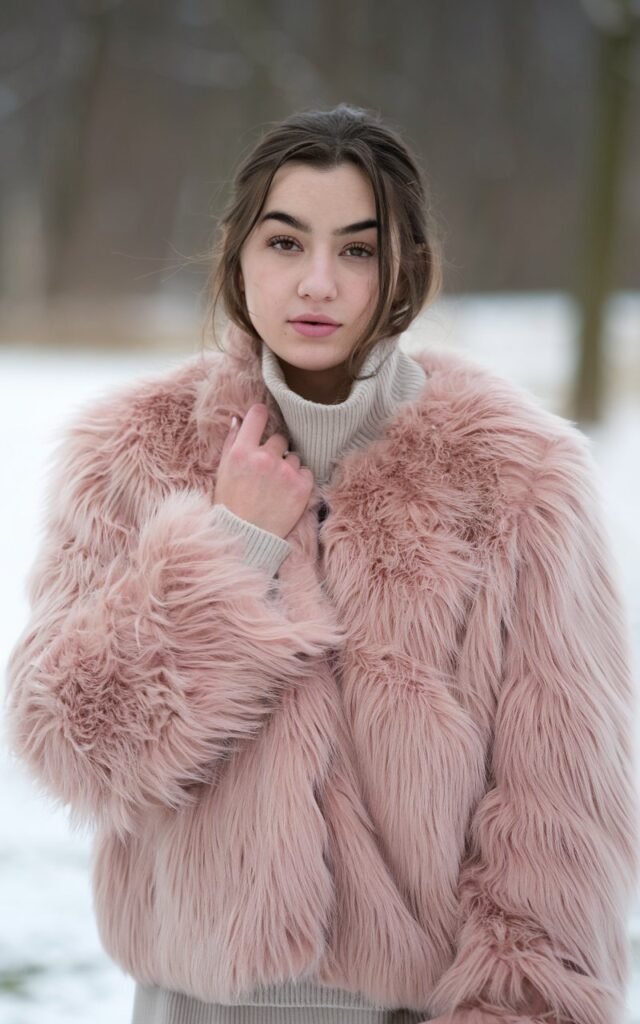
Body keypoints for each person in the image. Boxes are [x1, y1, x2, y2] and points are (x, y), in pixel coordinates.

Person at [4, 104, 638, 1024]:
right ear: (237, 254)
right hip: (190, 1003)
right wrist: (230, 548)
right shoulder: (133, 452)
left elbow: (561, 810)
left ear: (405, 268)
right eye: (285, 240)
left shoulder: (516, 478)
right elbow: (74, 742)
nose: (317, 282)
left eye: (357, 250)